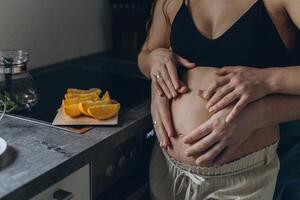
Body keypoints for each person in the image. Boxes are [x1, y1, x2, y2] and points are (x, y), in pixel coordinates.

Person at [138, 0, 300, 199]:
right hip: (166, 165)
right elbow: (146, 54)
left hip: (239, 177)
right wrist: (154, 59)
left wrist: (268, 80)